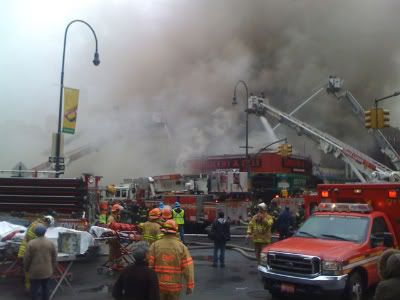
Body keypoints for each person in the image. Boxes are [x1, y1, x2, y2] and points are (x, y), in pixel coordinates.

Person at [149, 219, 194, 300]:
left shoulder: (155, 245)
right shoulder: (182, 247)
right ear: (176, 231)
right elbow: (188, 268)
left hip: (159, 285)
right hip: (175, 286)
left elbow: (149, 266)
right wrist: (190, 285)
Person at [18, 215, 55, 291]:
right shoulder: (39, 226)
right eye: (48, 225)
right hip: (26, 251)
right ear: (47, 222)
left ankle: (31, 290)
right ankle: (31, 290)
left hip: (24, 250)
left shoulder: (36, 223)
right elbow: (37, 241)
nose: (48, 227)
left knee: (28, 272)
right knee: (29, 273)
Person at [23, 225, 57, 300]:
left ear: (35, 233)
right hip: (47, 271)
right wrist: (53, 267)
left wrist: (26, 268)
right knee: (46, 288)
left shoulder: (31, 243)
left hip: (34, 271)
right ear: (45, 232)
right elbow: (54, 257)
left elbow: (26, 258)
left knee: (34, 289)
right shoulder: (50, 243)